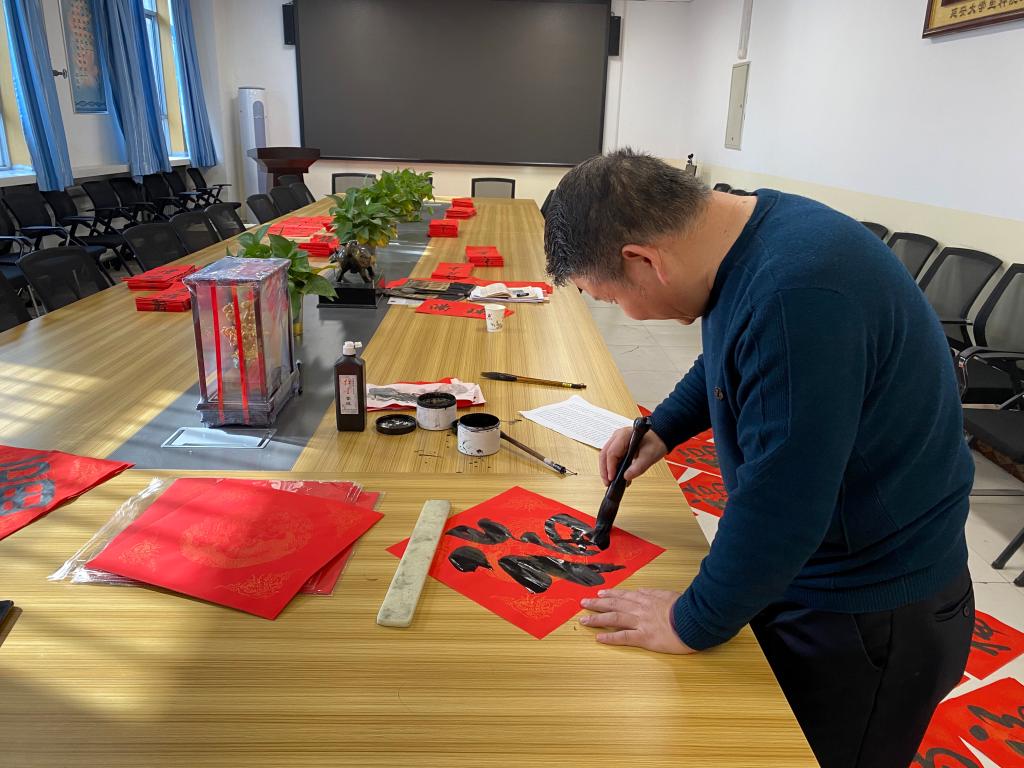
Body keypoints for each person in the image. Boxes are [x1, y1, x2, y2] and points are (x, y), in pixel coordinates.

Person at [543, 149, 975, 768]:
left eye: (608, 298)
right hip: (818, 565)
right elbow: (730, 353)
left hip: (873, 610)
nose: (623, 313)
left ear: (644, 260)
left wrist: (689, 621)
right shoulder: (743, 233)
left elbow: (784, 508)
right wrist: (662, 428)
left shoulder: (796, 294)